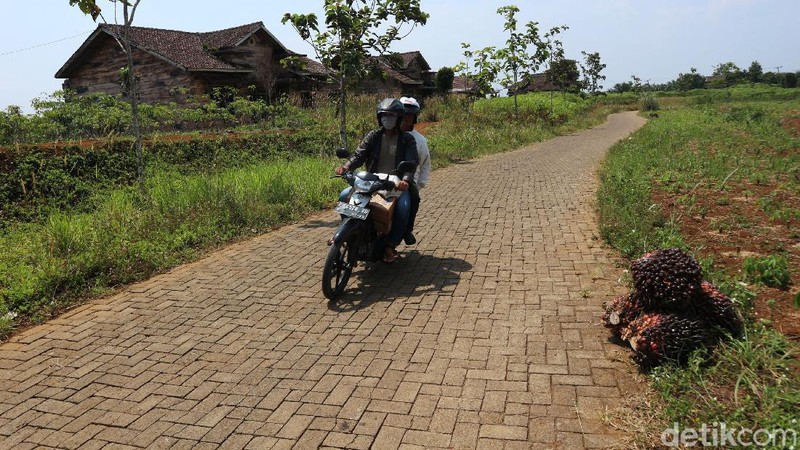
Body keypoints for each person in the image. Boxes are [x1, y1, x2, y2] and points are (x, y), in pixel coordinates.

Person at [335, 98, 418, 263]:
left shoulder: (407, 139)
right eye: (384, 115)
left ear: (399, 118)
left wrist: (406, 181)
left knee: (404, 208)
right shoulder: (373, 135)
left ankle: (390, 245)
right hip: (371, 181)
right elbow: (359, 155)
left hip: (395, 184)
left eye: (392, 115)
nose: (388, 119)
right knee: (344, 196)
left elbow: (411, 163)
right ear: (379, 117)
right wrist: (346, 167)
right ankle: (350, 233)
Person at [399, 96, 430, 246]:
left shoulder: (420, 141)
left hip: (407, 180)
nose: (406, 119)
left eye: (409, 116)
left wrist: (418, 184)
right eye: (403, 115)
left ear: (414, 118)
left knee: (413, 200)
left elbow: (425, 164)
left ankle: (406, 230)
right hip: (383, 176)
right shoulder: (386, 134)